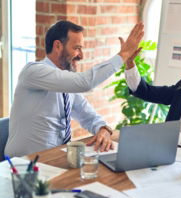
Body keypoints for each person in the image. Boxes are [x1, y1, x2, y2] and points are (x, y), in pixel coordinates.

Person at [5, 20, 144, 157]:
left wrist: (103, 129)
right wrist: (123, 55)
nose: (81, 56)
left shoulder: (66, 83)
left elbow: (87, 115)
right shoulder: (34, 71)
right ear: (58, 46)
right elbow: (84, 82)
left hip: (55, 159)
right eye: (77, 48)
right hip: (23, 165)